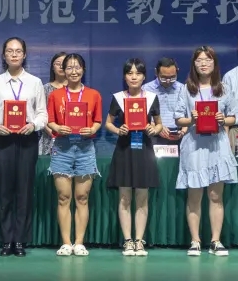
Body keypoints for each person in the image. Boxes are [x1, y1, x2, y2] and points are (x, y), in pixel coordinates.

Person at [0, 37, 48, 257]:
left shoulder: (35, 82)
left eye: (18, 51)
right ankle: (6, 240)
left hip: (27, 140)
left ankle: (20, 240)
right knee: (5, 190)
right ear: (4, 55)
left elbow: (42, 114)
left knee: (24, 190)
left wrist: (33, 125)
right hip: (3, 140)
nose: (14, 54)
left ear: (24, 55)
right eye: (10, 51)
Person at [175, 45, 237, 257]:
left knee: (215, 195)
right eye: (199, 60)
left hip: (217, 145)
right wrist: (191, 120)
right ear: (194, 64)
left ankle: (215, 241)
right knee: (194, 195)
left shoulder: (224, 88)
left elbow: (233, 117)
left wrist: (223, 119)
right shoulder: (186, 89)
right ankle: (195, 241)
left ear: (214, 63)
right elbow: (178, 119)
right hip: (194, 146)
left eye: (208, 60)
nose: (203, 64)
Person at [46, 53, 102, 257]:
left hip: (86, 148)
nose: (73, 71)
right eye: (69, 67)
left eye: (77, 67)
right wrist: (57, 128)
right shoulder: (55, 95)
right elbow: (49, 121)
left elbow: (97, 121)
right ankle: (66, 243)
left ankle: (79, 243)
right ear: (63, 71)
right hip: (62, 148)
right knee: (63, 197)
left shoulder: (94, 95)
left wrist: (92, 129)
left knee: (82, 197)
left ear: (83, 70)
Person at [105, 58, 162, 256]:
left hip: (144, 150)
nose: (134, 77)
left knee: (142, 197)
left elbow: (159, 124)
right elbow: (108, 123)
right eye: (130, 73)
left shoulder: (152, 98)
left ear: (144, 76)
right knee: (124, 197)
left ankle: (139, 241)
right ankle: (128, 241)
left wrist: (154, 129)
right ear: (125, 77)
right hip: (124, 150)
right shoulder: (118, 98)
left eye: (138, 73)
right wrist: (118, 129)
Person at [143, 57, 186, 147]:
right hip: (154, 134)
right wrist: (157, 126)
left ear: (177, 71)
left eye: (172, 77)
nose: (168, 81)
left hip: (178, 135)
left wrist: (183, 131)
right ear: (156, 72)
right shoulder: (146, 89)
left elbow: (188, 114)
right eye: (164, 77)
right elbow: (141, 115)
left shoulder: (183, 89)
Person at [39, 52, 69, 156]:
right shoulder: (44, 89)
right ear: (52, 67)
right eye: (58, 63)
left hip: (72, 139)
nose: (61, 66)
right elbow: (40, 114)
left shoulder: (78, 89)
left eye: (64, 63)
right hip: (48, 138)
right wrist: (52, 133)